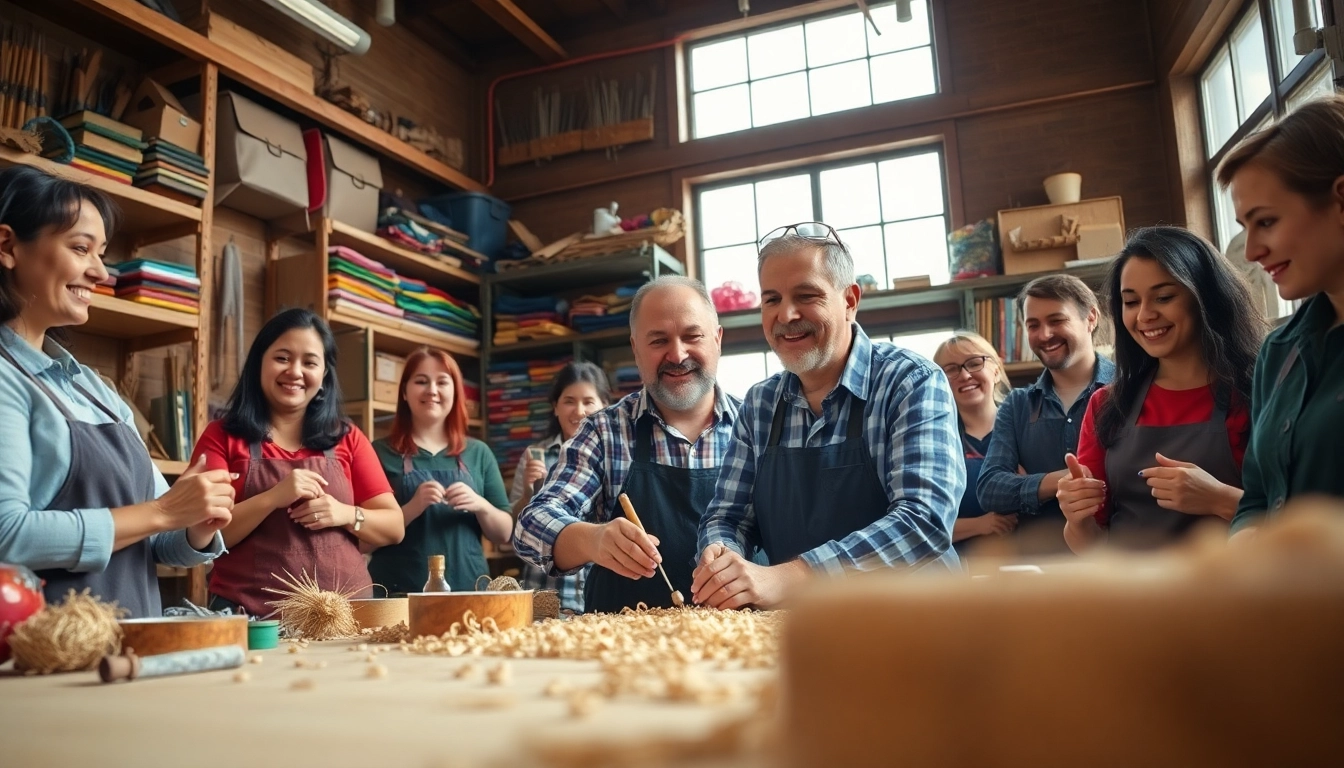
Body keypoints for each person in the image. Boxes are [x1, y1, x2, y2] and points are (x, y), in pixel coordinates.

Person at [0, 165, 235, 617]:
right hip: (52, 666)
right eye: (81, 248)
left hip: (129, 655)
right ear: (8, 246)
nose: (101, 272)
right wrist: (164, 511)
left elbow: (159, 543)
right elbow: (8, 535)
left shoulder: (96, 389)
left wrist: (195, 522)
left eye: (101, 253)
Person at [694, 223, 964, 610]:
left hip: (919, 622)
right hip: (804, 628)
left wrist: (792, 576)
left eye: (806, 295)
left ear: (850, 300)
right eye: (771, 300)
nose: (786, 314)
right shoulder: (760, 404)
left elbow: (923, 522)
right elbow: (728, 515)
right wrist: (720, 559)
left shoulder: (910, 382)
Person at [514, 276, 741, 613]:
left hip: (744, 646)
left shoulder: (756, 426)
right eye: (658, 340)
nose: (677, 355)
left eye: (692, 336)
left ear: (718, 339)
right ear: (635, 349)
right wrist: (593, 539)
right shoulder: (605, 432)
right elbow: (531, 525)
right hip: (623, 652)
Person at [1057, 227, 1266, 552]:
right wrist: (1078, 518)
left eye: (1164, 297)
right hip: (1134, 598)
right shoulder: (1107, 405)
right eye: (1130, 301)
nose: (1144, 315)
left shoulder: (1258, 396)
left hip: (1233, 596)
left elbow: (1302, 525)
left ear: (1205, 297)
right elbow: (1092, 549)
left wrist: (1220, 499)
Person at [191, 308, 403, 615]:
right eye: (282, 358)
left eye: (310, 362)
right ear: (259, 362)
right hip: (251, 620)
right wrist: (272, 498)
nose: (295, 371)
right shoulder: (222, 436)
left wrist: (344, 513)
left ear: (325, 374)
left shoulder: (348, 437)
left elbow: (394, 526)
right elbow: (203, 534)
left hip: (346, 619)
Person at [1217, 96, 1344, 536]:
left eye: (1266, 221)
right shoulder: (1280, 349)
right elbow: (1257, 496)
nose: (1251, 252)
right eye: (1244, 227)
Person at [977, 274, 1115, 555]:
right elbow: (990, 489)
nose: (1044, 335)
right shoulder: (1017, 405)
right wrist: (1061, 481)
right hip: (1039, 571)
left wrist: (1030, 483)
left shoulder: (1131, 391)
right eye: (1033, 325)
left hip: (1117, 565)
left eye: (1057, 320)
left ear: (1091, 318)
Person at [367, 347, 513, 594]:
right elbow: (364, 538)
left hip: (469, 591)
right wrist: (414, 506)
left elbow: (504, 532)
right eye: (421, 381)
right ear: (404, 392)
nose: (432, 390)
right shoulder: (378, 453)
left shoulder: (479, 453)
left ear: (456, 392)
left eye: (442, 382)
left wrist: (481, 505)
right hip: (398, 595)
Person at [508, 361, 612, 613]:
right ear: (555, 407)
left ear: (605, 406)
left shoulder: (614, 456)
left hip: (598, 588)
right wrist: (527, 492)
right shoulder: (536, 454)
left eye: (589, 401)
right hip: (545, 585)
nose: (579, 410)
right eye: (569, 401)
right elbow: (514, 529)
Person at [931, 331, 1018, 557]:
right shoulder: (934, 442)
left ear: (996, 370)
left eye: (974, 363)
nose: (965, 375)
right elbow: (922, 525)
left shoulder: (1025, 427)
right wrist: (981, 524)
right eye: (950, 369)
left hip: (1030, 563)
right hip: (963, 574)